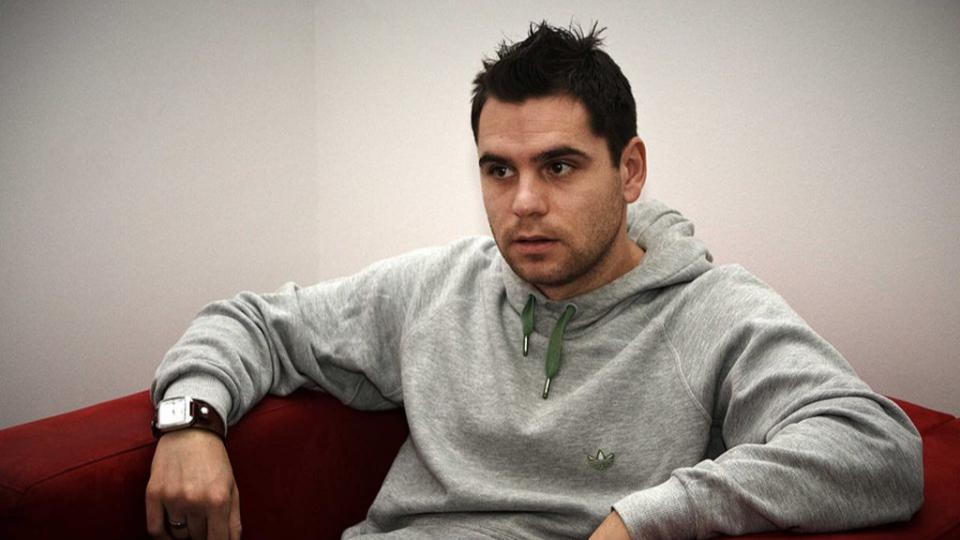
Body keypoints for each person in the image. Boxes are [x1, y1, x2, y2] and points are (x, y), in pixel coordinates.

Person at [145, 22, 923, 540]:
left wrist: (650, 517)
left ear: (629, 170)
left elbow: (878, 447)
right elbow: (252, 322)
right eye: (498, 170)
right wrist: (189, 422)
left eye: (558, 166)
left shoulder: (709, 312)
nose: (522, 203)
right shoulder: (438, 287)